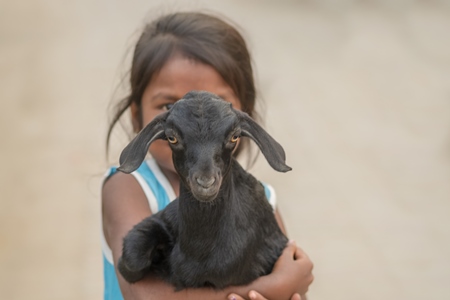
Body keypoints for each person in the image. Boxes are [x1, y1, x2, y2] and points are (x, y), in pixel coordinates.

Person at [102, 12, 314, 300]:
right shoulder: (129, 188)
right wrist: (276, 288)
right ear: (139, 117)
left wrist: (290, 287)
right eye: (168, 105)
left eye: (218, 104)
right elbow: (144, 296)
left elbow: (290, 273)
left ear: (242, 116)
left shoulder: (262, 199)